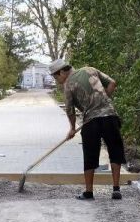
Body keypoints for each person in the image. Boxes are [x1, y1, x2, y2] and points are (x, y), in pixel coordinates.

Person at [49, 59, 125, 200]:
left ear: (61, 72)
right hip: (110, 117)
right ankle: (116, 189)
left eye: (55, 76)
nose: (56, 79)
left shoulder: (68, 85)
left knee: (90, 155)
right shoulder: (90, 69)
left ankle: (89, 192)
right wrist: (103, 101)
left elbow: (70, 110)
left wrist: (72, 128)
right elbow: (112, 83)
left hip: (91, 122)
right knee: (115, 151)